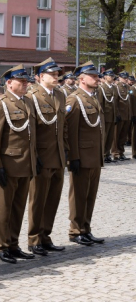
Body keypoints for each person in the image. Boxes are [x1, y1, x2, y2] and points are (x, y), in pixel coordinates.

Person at [0, 65, 37, 264]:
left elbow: (31, 135)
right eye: (21, 82)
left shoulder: (28, 103)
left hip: (25, 163)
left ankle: (13, 244)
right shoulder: (1, 104)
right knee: (3, 208)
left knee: (18, 207)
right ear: (9, 83)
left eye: (26, 82)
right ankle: (0, 246)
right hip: (8, 164)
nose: (25, 85)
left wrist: (34, 158)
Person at [25, 58, 68, 256]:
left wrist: (65, 151)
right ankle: (34, 239)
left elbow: (62, 127)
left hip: (57, 155)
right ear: (41, 76)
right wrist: (34, 155)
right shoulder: (32, 96)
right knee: (38, 199)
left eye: (57, 74)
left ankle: (45, 236)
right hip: (42, 155)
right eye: (52, 74)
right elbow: (30, 130)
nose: (56, 77)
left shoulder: (60, 95)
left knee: (53, 198)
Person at [66, 61, 105, 246]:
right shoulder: (74, 100)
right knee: (79, 195)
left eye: (97, 76)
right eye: (93, 76)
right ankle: (75, 230)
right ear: (82, 79)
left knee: (90, 195)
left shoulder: (93, 98)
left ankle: (86, 228)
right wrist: (73, 156)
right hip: (81, 156)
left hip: (94, 156)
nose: (97, 79)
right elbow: (70, 131)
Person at [98, 69, 117, 163]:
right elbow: (100, 104)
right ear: (105, 77)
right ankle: (102, 155)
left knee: (110, 137)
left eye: (113, 76)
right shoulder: (101, 88)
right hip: (105, 116)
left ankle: (107, 154)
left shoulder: (113, 88)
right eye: (110, 75)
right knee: (104, 137)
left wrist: (116, 115)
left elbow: (115, 103)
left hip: (112, 116)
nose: (112, 77)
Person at [112, 71, 131, 161]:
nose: (126, 79)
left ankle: (121, 152)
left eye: (126, 78)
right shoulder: (116, 87)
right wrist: (116, 113)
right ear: (119, 77)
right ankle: (115, 153)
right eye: (124, 78)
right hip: (120, 115)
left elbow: (128, 101)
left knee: (123, 135)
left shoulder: (127, 87)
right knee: (116, 135)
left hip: (127, 115)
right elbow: (115, 102)